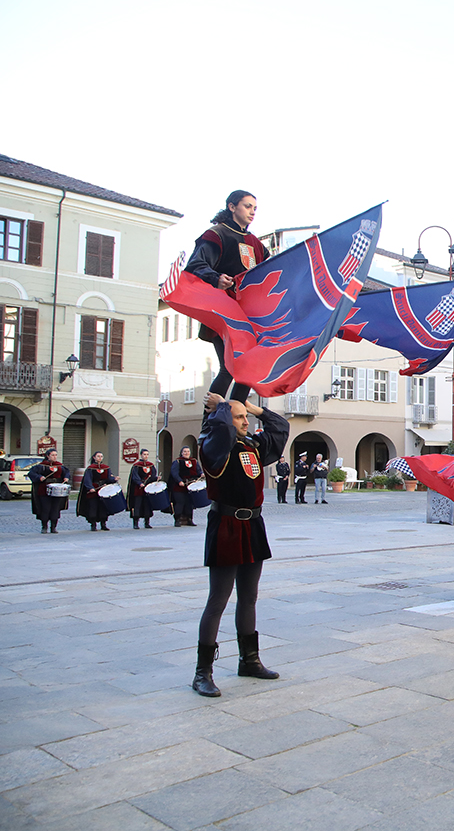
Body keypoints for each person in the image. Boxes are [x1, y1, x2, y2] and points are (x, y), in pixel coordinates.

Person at [192, 392, 289, 698]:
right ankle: (202, 673)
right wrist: (221, 408)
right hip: (226, 525)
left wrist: (252, 407)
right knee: (218, 599)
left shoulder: (252, 446)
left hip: (253, 525)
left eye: (245, 417)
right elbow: (218, 430)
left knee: (249, 597)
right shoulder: (213, 447)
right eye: (239, 417)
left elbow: (280, 427)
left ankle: (249, 660)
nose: (245, 422)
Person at [184, 190, 269, 406]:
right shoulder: (217, 235)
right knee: (229, 368)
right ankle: (210, 422)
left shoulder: (255, 243)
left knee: (248, 369)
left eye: (255, 208)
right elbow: (195, 264)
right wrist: (215, 278)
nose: (252, 212)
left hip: (248, 315)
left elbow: (269, 271)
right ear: (232, 207)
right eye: (247, 206)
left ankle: (235, 418)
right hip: (223, 311)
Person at [28, 449, 69, 534]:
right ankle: (44, 526)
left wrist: (66, 477)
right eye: (53, 455)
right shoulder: (41, 466)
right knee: (45, 508)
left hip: (57, 490)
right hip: (44, 490)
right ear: (48, 456)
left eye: (56, 455)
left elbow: (66, 472)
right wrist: (39, 477)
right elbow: (31, 473)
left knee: (55, 508)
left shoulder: (59, 466)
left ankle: (53, 527)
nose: (54, 457)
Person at [77, 452, 115, 531]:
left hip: (103, 490)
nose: (100, 458)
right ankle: (93, 524)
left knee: (103, 507)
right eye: (98, 456)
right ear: (94, 457)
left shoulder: (106, 468)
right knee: (93, 507)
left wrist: (114, 479)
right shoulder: (91, 468)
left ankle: (103, 524)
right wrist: (90, 487)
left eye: (101, 456)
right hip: (94, 490)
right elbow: (87, 479)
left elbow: (108, 478)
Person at [170, 446, 204, 527]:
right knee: (180, 503)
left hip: (191, 486)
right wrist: (179, 481)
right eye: (184, 451)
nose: (186, 453)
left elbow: (198, 470)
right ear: (181, 453)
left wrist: (201, 474)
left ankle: (189, 519)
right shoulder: (177, 462)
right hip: (180, 486)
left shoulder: (194, 461)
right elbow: (174, 473)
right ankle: (177, 520)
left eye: (188, 451)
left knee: (189, 503)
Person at [128, 449, 159, 530]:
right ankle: (136, 523)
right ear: (141, 455)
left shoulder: (151, 465)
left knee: (147, 505)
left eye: (147, 454)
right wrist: (139, 483)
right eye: (144, 454)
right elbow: (135, 476)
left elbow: (152, 475)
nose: (146, 456)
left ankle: (147, 522)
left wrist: (156, 478)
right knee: (137, 505)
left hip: (148, 488)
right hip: (139, 489)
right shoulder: (137, 465)